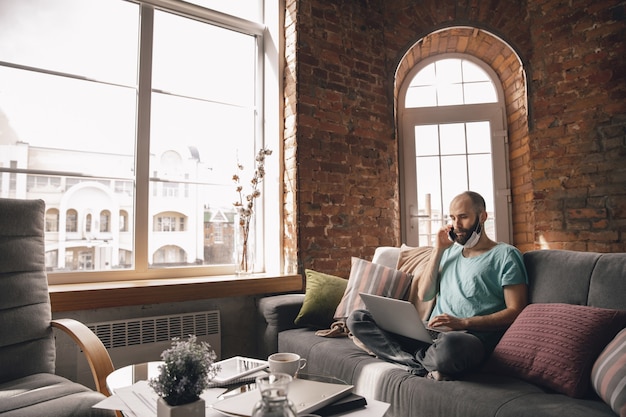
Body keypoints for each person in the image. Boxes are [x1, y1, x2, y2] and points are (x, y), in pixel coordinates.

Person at [347, 191, 528, 380]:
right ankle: (418, 365)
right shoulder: (449, 253)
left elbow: (516, 310)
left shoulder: (506, 254)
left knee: (451, 347)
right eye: (452, 218)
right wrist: (438, 249)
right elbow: (425, 294)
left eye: (464, 217)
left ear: (483, 216)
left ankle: (410, 359)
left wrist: (463, 323)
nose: (456, 225)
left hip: (468, 338)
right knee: (358, 318)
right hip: (430, 333)